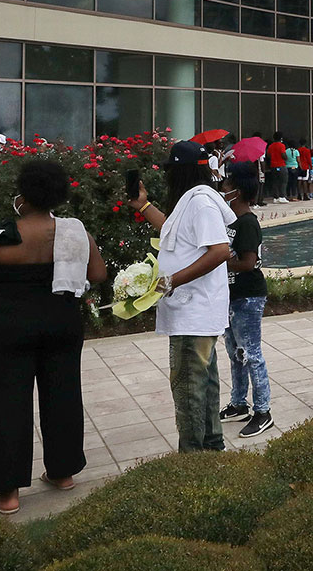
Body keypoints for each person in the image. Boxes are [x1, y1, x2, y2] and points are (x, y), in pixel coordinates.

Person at [0, 160, 106, 514]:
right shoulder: (77, 233)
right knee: (64, 396)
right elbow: (98, 273)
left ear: (22, 195)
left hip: (8, 328)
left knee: (10, 405)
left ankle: (8, 495)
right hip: (62, 324)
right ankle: (63, 472)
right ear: (59, 194)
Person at [129, 141, 234, 452]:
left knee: (189, 387)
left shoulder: (200, 203)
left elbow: (220, 251)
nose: (166, 177)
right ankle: (211, 447)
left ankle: (193, 457)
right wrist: (144, 206)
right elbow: (174, 233)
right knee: (203, 383)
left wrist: (170, 281)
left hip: (194, 312)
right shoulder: (191, 201)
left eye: (169, 170)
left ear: (180, 172)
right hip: (191, 312)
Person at [217, 163, 274, 439]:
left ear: (237, 191)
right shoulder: (230, 221)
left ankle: (263, 411)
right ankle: (239, 403)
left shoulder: (248, 222)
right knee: (235, 354)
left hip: (248, 298)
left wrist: (220, 261)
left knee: (251, 353)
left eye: (227, 185)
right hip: (231, 297)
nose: (223, 189)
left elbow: (248, 262)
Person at [266, 133, 288, 203]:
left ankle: (276, 197)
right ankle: (282, 196)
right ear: (281, 138)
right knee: (283, 181)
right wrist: (286, 157)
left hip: (273, 166)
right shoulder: (281, 145)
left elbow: (268, 155)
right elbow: (283, 155)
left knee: (275, 182)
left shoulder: (271, 146)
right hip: (281, 165)